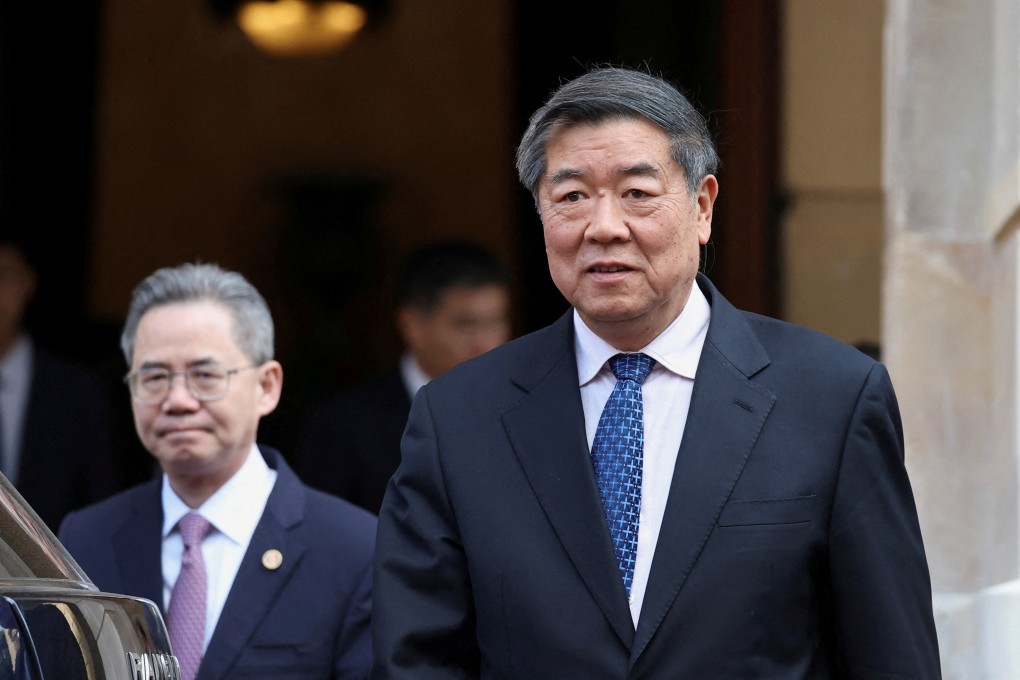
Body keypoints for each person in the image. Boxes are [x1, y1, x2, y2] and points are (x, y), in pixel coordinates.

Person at [370, 68, 941, 678]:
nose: (604, 226)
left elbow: (891, 653)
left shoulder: (833, 398)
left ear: (701, 207)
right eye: (571, 197)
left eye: (638, 193)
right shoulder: (458, 416)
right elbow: (417, 660)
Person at [58, 263, 375, 680]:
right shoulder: (85, 539)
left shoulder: (355, 547)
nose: (177, 400)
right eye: (153, 377)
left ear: (267, 387)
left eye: (205, 376)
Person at [294, 240, 512, 514]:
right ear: (413, 325)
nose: (485, 343)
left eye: (496, 322)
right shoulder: (345, 426)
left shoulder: (526, 409)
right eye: (465, 325)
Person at [0, 233, 121, 530]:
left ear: (27, 283)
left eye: (3, 276)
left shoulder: (77, 391)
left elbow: (102, 501)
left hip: (51, 570)